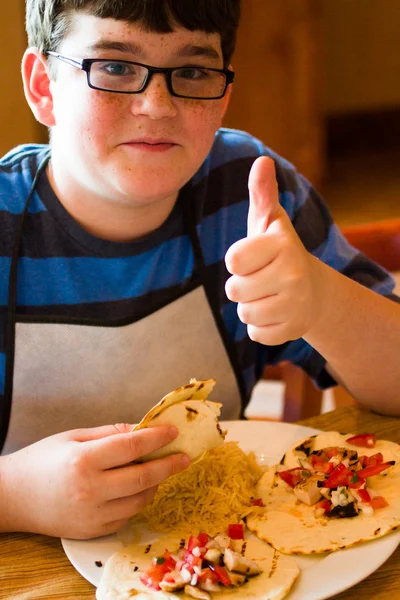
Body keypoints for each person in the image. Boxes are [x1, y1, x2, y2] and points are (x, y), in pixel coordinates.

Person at [0, 0, 399, 540]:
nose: (156, 105)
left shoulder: (246, 199)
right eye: (115, 66)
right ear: (43, 86)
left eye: (191, 71)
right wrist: (14, 497)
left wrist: (323, 302)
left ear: (224, 94)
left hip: (217, 551)